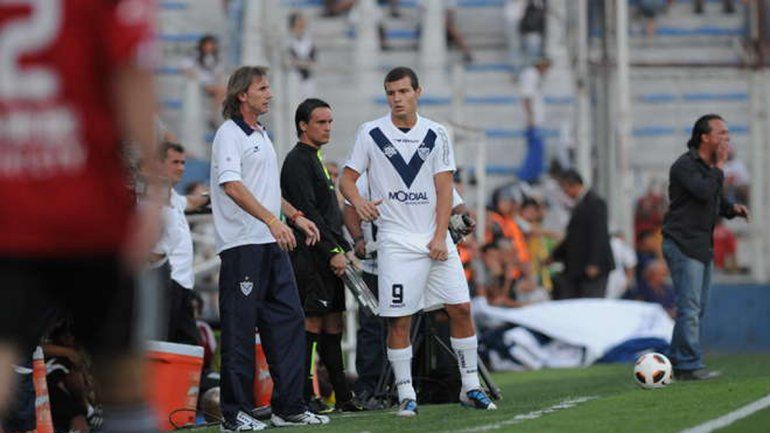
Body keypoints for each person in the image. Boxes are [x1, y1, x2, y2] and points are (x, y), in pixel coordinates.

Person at [0, 3, 162, 433]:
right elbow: (133, 73)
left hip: (12, 205)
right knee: (121, 379)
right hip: (90, 208)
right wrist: (156, 189)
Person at [339, 66, 497, 417]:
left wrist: (440, 236)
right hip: (395, 242)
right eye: (391, 93)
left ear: (417, 92)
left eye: (403, 92)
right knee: (399, 320)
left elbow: (444, 188)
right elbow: (347, 181)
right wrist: (360, 202)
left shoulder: (437, 133)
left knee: (461, 309)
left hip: (435, 240)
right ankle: (406, 393)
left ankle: (470, 386)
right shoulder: (371, 133)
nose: (397, 99)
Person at [210, 66, 329, 430]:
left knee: (290, 323)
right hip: (243, 246)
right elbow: (232, 185)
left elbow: (266, 190)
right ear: (242, 94)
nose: (270, 94)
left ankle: (289, 406)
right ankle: (235, 413)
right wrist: (272, 221)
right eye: (262, 87)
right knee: (240, 330)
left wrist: (292, 216)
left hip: (271, 243)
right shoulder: (228, 135)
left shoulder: (262, 134)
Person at [280, 99, 363, 413]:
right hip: (312, 256)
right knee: (312, 323)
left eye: (330, 122)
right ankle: (302, 397)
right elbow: (309, 213)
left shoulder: (315, 158)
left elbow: (328, 215)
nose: (327, 127)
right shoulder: (297, 161)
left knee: (333, 324)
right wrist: (333, 251)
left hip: (330, 254)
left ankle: (342, 397)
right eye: (321, 122)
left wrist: (343, 246)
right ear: (303, 125)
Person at [661, 114, 748, 381]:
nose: (727, 138)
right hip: (683, 242)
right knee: (689, 309)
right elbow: (701, 191)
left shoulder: (709, 169)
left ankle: (677, 359)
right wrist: (720, 167)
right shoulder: (685, 166)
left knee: (695, 308)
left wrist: (731, 209)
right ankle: (689, 365)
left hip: (700, 244)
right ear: (704, 137)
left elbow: (714, 199)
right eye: (721, 133)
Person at [158, 142, 208, 345]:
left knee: (191, 345)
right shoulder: (148, 197)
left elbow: (193, 201)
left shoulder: (173, 197)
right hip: (165, 284)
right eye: (175, 162)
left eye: (183, 163)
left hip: (183, 286)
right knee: (163, 344)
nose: (181, 168)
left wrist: (220, 192)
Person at [549, 169, 614, 299]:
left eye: (564, 188)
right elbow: (573, 237)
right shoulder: (579, 204)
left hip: (593, 269)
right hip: (578, 268)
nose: (564, 193)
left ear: (571, 185)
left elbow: (599, 234)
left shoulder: (595, 202)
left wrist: (594, 263)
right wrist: (554, 256)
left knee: (591, 305)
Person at [518, 57, 551, 182]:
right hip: (533, 122)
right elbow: (527, 97)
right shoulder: (531, 74)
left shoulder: (534, 75)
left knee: (537, 151)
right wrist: (530, 118)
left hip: (536, 121)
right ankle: (527, 177)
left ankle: (531, 176)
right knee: (535, 151)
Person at [287, 13, 317, 101]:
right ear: (292, 26)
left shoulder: (309, 42)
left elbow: (313, 61)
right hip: (292, 79)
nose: (301, 27)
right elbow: (289, 61)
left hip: (307, 80)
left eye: (302, 24)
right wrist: (301, 63)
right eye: (298, 24)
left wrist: (300, 63)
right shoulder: (287, 42)